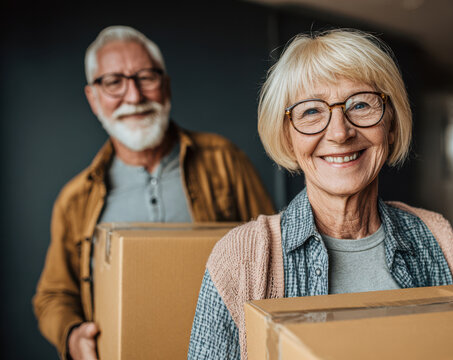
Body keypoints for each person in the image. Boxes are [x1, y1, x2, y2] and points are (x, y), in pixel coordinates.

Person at [188, 29, 453, 360]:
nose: (340, 132)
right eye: (311, 111)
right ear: (288, 137)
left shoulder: (440, 240)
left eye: (360, 105)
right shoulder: (241, 258)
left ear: (392, 124)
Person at [33, 26, 274, 360]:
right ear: (93, 97)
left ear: (166, 85)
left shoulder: (225, 160)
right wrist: (72, 335)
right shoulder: (74, 200)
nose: (134, 96)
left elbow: (274, 256)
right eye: (113, 82)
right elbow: (53, 295)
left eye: (146, 77)